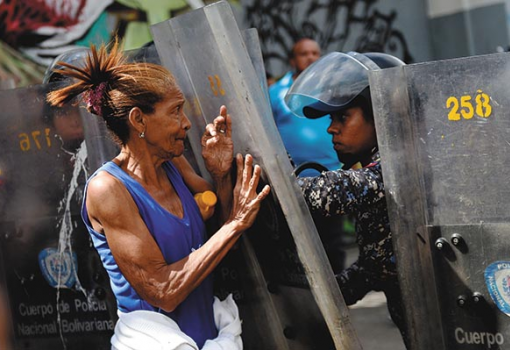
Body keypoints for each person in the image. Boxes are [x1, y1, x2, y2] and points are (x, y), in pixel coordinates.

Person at [46, 41, 270, 349]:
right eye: (175, 111)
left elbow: (221, 242)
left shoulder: (173, 162)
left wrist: (219, 175)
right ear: (138, 120)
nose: (186, 123)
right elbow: (163, 291)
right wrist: (237, 222)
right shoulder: (108, 189)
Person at [285, 51, 410, 348]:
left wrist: (275, 179)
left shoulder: (400, 169)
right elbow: (373, 268)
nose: (332, 127)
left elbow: (327, 194)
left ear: (380, 114)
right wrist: (317, 296)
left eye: (343, 116)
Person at [269, 38, 340, 177]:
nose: (310, 58)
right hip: (289, 176)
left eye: (315, 53)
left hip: (332, 173)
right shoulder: (276, 92)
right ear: (292, 60)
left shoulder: (332, 90)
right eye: (304, 54)